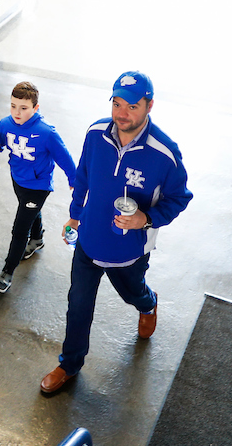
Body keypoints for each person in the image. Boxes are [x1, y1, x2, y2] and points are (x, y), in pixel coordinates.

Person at [40, 70, 192, 394]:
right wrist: (75, 217)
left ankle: (148, 303)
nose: (122, 113)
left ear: (149, 106)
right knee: (78, 305)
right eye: (117, 103)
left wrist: (146, 219)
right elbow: (83, 175)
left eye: (132, 106)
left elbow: (180, 198)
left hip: (129, 252)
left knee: (131, 294)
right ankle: (69, 364)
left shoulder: (165, 153)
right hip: (89, 242)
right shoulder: (96, 134)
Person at [0, 81, 77, 294]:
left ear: (36, 108)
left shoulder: (46, 133)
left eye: (24, 108)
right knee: (29, 211)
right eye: (13, 106)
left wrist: (75, 182)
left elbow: (66, 159)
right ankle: (37, 239)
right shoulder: (5, 124)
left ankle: (6, 273)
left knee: (19, 229)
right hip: (17, 179)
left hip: (38, 186)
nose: (17, 112)